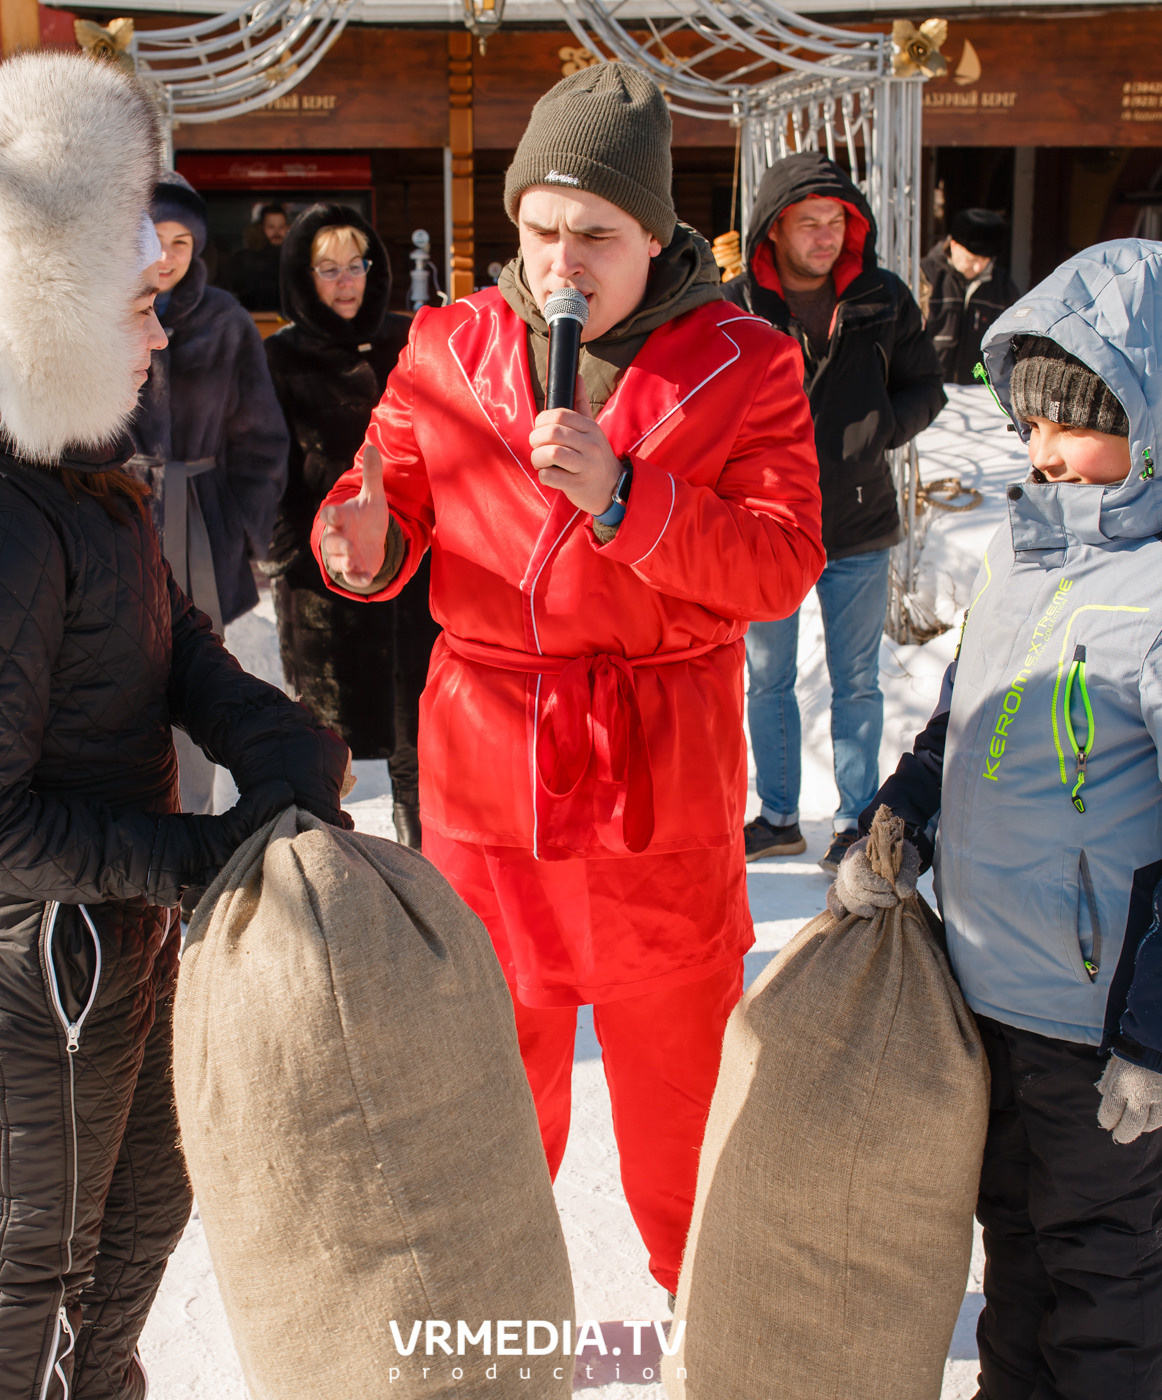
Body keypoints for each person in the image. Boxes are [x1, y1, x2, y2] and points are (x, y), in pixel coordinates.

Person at [313, 63, 824, 1303]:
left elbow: (780, 559)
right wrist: (360, 537)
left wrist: (628, 498)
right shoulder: (450, 345)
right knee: (488, 1086)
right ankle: (485, 1325)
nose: (560, 263)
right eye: (539, 230)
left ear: (656, 231)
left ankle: (699, 1311)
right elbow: (382, 499)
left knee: (679, 1094)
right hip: (492, 777)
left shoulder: (748, 360)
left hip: (661, 775)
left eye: (595, 233)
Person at [0, 54, 349, 1400]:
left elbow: (171, 646)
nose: (163, 334)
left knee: (150, 1207)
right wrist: (187, 863)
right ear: (42, 319)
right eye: (132, 308)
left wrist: (272, 737)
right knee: (36, 1253)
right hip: (32, 959)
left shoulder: (83, 470)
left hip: (116, 935)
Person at [858, 239, 1162, 1400]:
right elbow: (963, 725)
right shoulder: (1030, 545)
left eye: (1078, 424)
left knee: (1101, 1277)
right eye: (1033, 423)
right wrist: (901, 820)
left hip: (1105, 1026)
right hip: (988, 995)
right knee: (1016, 1250)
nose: (1047, 452)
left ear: (1157, 418)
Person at [722, 151, 946, 872]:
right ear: (774, 229)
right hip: (766, 524)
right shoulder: (738, 306)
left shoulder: (880, 295)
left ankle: (854, 818)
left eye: (836, 223)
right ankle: (779, 816)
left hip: (858, 522)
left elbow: (928, 385)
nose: (825, 237)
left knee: (857, 681)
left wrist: (878, 426)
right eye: (809, 223)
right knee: (768, 678)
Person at [263, 204, 437, 847]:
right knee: (321, 738)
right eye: (328, 268)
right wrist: (289, 552)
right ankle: (324, 868)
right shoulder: (280, 356)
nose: (345, 282)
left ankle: (419, 858)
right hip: (321, 578)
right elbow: (265, 460)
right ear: (305, 276)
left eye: (355, 265)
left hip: (410, 566)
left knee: (415, 729)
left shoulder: (412, 337)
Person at [133, 172, 290, 814]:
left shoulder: (225, 318)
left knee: (197, 666)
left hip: (200, 512)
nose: (166, 258)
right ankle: (135, 813)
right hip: (118, 504)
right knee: (119, 662)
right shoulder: (98, 311)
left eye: (181, 243)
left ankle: (191, 816)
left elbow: (260, 436)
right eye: (153, 239)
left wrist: (247, 529)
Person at [919, 207, 1019, 385]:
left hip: (980, 395)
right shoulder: (923, 277)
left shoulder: (1004, 287)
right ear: (953, 245)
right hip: (929, 389)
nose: (978, 268)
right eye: (972, 260)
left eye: (985, 261)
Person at [226, 201, 289, 312]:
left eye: (281, 227)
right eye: (271, 227)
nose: (277, 232)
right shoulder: (245, 260)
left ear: (287, 229)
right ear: (261, 228)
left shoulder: (294, 259)